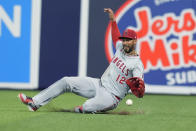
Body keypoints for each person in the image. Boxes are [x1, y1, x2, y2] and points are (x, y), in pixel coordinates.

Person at [18, 8, 145, 113]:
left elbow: (139, 89)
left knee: (86, 107)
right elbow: (115, 36)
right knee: (66, 81)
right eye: (124, 40)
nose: (125, 42)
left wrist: (138, 90)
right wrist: (113, 20)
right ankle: (34, 103)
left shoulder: (137, 64)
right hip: (98, 84)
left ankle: (89, 109)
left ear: (134, 41)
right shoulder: (120, 48)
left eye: (128, 40)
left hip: (111, 97)